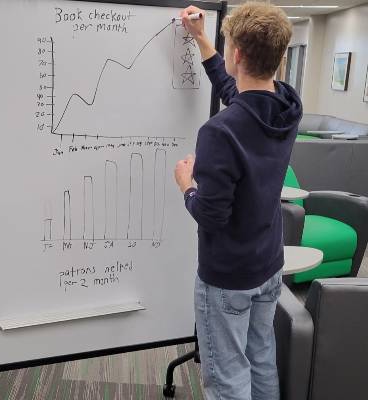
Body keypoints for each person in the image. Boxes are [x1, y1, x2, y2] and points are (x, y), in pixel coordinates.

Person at [173, 3, 302, 400]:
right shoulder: (286, 107)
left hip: (228, 277)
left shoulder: (219, 131)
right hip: (268, 265)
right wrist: (202, 40)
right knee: (261, 358)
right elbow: (239, 93)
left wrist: (186, 186)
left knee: (228, 377)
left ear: (239, 55)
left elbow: (210, 216)